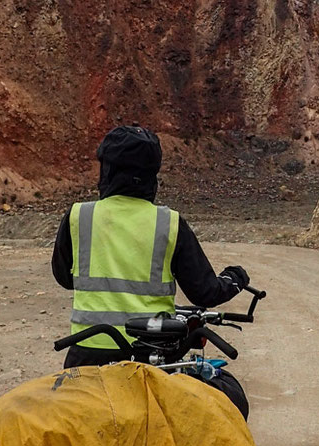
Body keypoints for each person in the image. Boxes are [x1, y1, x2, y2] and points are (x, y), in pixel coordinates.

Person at [51, 124, 251, 409]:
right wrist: (234, 278)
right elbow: (205, 292)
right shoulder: (169, 223)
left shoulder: (78, 216)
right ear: (151, 176)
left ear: (106, 170)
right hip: (151, 357)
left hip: (89, 352)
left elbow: (64, 277)